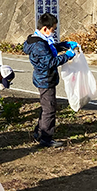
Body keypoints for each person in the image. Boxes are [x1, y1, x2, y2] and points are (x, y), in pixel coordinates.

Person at [23, 13, 77, 148]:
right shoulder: (39, 44)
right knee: (50, 109)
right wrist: (67, 56)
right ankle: (46, 138)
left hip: (43, 78)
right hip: (45, 79)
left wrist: (62, 46)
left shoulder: (36, 39)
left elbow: (49, 50)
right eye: (53, 29)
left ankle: (39, 132)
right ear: (45, 28)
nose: (53, 32)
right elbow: (50, 61)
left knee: (46, 106)